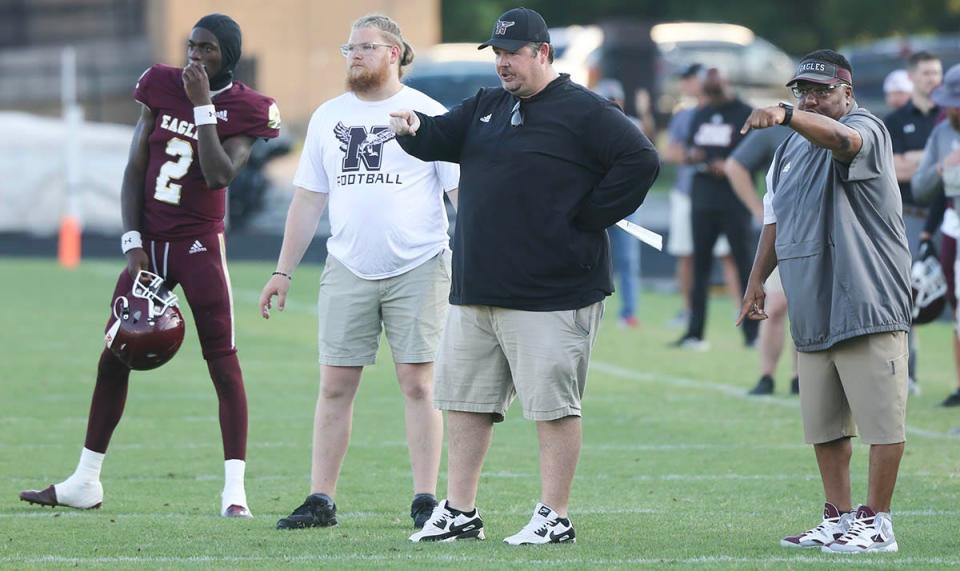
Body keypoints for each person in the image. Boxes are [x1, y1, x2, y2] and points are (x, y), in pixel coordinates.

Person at [389, 7, 659, 544]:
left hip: (553, 291)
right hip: (479, 288)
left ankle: (553, 516)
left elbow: (641, 160)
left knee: (552, 408)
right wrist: (412, 131)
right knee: (466, 402)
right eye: (497, 54)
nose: (503, 64)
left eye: (513, 54)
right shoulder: (488, 105)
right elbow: (440, 137)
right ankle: (460, 510)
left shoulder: (585, 111)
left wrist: (588, 216)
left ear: (543, 54)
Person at [19, 14, 281, 518]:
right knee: (113, 354)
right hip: (150, 245)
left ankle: (235, 493)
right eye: (191, 46)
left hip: (200, 247)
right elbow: (136, 165)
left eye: (206, 49)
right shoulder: (160, 84)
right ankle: (85, 481)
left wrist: (204, 107)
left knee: (222, 363)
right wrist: (132, 240)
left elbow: (219, 173)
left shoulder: (249, 109)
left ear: (226, 55)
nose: (194, 57)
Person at [257, 15, 458, 531]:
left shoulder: (428, 112)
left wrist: (486, 253)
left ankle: (426, 499)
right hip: (348, 265)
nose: (355, 56)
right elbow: (307, 200)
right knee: (335, 385)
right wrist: (283, 271)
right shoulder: (328, 117)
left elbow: (460, 194)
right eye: (350, 48)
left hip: (420, 264)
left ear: (394, 53)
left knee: (418, 383)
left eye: (366, 47)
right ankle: (320, 498)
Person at [739, 49, 912, 553]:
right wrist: (755, 282)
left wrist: (791, 115)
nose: (812, 99)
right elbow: (775, 219)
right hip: (812, 299)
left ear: (847, 93)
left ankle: (878, 522)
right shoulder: (787, 152)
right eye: (802, 92)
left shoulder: (866, 127)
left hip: (865, 298)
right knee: (825, 424)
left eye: (822, 91)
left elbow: (845, 141)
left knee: (882, 421)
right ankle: (838, 518)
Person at [675, 67, 756, 351]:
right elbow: (686, 151)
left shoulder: (745, 112)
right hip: (703, 199)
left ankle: (752, 333)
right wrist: (694, 157)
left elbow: (757, 152)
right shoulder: (701, 113)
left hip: (734, 200)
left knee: (746, 267)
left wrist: (732, 167)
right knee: (700, 268)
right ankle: (695, 332)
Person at [662, 64, 741, 329]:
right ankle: (688, 312)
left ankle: (741, 310)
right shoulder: (686, 115)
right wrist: (691, 157)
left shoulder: (735, 112)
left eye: (690, 79)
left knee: (730, 256)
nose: (685, 85)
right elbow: (670, 152)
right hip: (689, 193)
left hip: (727, 194)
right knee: (688, 255)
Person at [884, 51, 943, 396]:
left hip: (949, 215)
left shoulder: (951, 117)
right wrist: (935, 160)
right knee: (906, 298)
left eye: (936, 72)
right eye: (926, 72)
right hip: (908, 216)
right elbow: (895, 168)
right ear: (912, 77)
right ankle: (910, 375)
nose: (932, 78)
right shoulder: (894, 120)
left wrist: (915, 160)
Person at [722, 125, 798, 395]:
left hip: (824, 235)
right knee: (775, 305)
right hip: (784, 235)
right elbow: (734, 166)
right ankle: (766, 376)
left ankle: (800, 377)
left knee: (809, 309)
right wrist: (758, 209)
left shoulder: (837, 126)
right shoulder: (776, 131)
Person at [911, 62, 960, 407]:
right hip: (953, 229)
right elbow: (920, 188)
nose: (951, 108)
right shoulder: (942, 133)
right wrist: (945, 166)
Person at [594, 78, 641, 327]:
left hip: (625, 207)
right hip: (597, 205)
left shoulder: (633, 126)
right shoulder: (588, 125)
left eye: (615, 98)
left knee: (628, 261)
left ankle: (629, 313)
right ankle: (590, 310)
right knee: (593, 259)